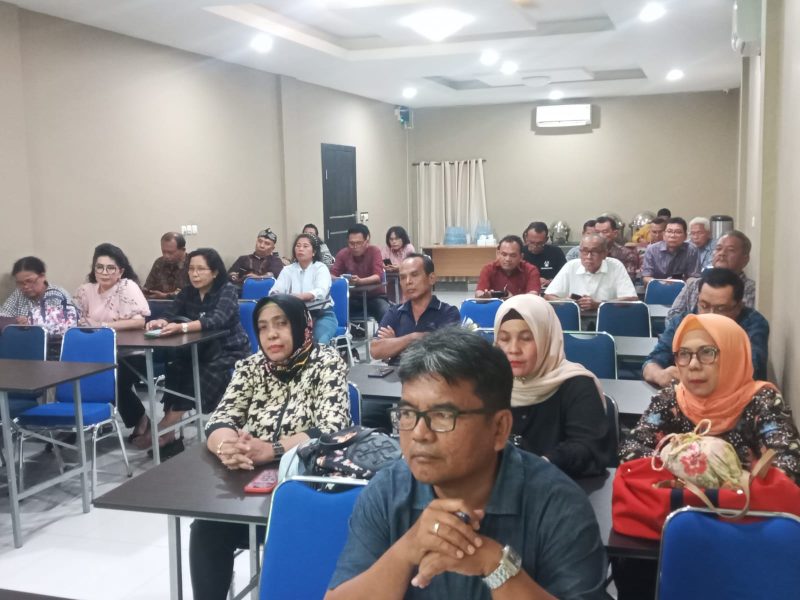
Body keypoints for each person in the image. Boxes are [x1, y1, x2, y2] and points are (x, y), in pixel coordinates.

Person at [326, 327, 607, 599]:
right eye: (408, 413)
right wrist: (406, 550)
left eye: (442, 416)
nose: (420, 434)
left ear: (499, 429)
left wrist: (496, 566)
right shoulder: (388, 491)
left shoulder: (557, 505)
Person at [190, 294, 351, 600]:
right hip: (250, 483)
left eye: (281, 324)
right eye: (263, 327)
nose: (271, 335)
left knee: (292, 535)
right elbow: (221, 418)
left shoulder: (327, 362)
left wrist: (273, 449)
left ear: (302, 326)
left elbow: (333, 428)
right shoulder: (251, 366)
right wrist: (227, 447)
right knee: (207, 527)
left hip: (308, 482)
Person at [137, 248, 250, 457]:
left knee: (198, 374)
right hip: (195, 350)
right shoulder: (187, 292)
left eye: (201, 269)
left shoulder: (227, 290)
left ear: (214, 272)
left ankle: (164, 427)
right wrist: (161, 321)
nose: (195, 274)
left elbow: (217, 319)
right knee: (175, 369)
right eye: (191, 269)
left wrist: (183, 327)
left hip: (228, 350)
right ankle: (170, 435)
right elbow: (171, 313)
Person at [494, 295, 608, 477]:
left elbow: (587, 448)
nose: (513, 349)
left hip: (564, 486)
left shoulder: (577, 384)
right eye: (504, 339)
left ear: (546, 339)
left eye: (526, 338)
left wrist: (542, 465)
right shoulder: (491, 384)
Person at [643, 268, 768, 388]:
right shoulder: (682, 321)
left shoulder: (753, 323)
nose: (710, 315)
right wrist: (660, 375)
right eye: (704, 306)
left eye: (721, 309)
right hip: (686, 396)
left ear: (739, 307)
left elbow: (752, 370)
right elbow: (652, 362)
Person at [371, 253, 460, 365]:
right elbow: (375, 351)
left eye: (414, 275)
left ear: (431, 278)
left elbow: (445, 355)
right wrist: (413, 338)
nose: (408, 281)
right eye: (403, 277)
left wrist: (395, 345)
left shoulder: (448, 313)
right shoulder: (394, 312)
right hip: (396, 373)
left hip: (431, 374)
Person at [668, 230, 755, 319]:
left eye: (730, 250)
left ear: (745, 259)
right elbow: (672, 316)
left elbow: (745, 322)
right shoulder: (694, 284)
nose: (722, 253)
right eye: (718, 248)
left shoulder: (752, 290)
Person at [270, 233, 337, 344]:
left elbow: (321, 291)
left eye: (305, 246)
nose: (300, 249)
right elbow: (275, 291)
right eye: (298, 246)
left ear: (314, 252)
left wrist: (297, 297)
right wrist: (276, 295)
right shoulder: (288, 270)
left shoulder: (320, 268)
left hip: (321, 315)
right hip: (295, 316)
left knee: (319, 341)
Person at [544, 233, 637, 312]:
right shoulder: (571, 266)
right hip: (576, 316)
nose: (588, 256)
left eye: (594, 251)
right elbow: (548, 296)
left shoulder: (615, 266)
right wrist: (568, 302)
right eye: (584, 251)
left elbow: (631, 299)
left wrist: (599, 304)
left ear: (604, 254)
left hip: (607, 317)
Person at [74, 243, 150, 330]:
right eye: (99, 267)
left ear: (120, 272)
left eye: (110, 268)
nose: (104, 272)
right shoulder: (85, 290)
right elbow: (76, 320)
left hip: (123, 337)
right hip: (93, 337)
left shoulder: (126, 286)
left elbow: (139, 322)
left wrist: (101, 325)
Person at [330, 223, 390, 323]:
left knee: (385, 311)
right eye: (351, 243)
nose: (355, 247)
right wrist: (343, 280)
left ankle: (386, 333)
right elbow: (331, 275)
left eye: (359, 243)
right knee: (331, 310)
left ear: (367, 241)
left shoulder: (374, 251)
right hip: (351, 298)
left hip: (374, 297)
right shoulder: (343, 254)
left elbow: (377, 276)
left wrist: (360, 281)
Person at [0, 256, 75, 333]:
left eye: (29, 281)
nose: (25, 286)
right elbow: (2, 318)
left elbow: (64, 326)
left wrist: (31, 322)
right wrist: (16, 321)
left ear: (42, 277)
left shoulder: (57, 295)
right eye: (20, 283)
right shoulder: (19, 294)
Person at [475, 235, 541, 298]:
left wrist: (513, 299)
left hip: (522, 305)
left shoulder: (531, 270)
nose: (508, 259)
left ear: (521, 257)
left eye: (513, 255)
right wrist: (484, 296)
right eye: (504, 254)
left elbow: (533, 295)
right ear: (498, 254)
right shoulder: (488, 269)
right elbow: (479, 292)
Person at [641, 217, 701, 283]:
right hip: (657, 286)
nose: (672, 235)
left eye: (678, 232)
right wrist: (662, 283)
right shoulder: (652, 250)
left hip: (683, 287)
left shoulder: (691, 250)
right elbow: (646, 277)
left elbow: (694, 276)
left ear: (685, 236)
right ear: (664, 235)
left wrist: (680, 283)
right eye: (669, 231)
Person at [142, 231, 189, 299]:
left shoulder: (193, 264)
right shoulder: (159, 262)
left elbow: (192, 292)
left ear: (183, 250)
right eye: (163, 251)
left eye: (170, 252)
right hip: (160, 304)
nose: (166, 256)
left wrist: (166, 296)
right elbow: (149, 286)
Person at [521, 222, 566, 287]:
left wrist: (550, 281)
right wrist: (533, 280)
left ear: (546, 240)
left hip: (549, 288)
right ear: (526, 238)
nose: (535, 246)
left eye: (539, 243)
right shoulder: (519, 253)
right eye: (532, 242)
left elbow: (564, 277)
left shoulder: (556, 252)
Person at [594, 216, 639, 281]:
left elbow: (628, 280)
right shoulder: (588, 253)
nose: (600, 235)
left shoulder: (626, 254)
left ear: (615, 233)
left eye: (605, 232)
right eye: (597, 232)